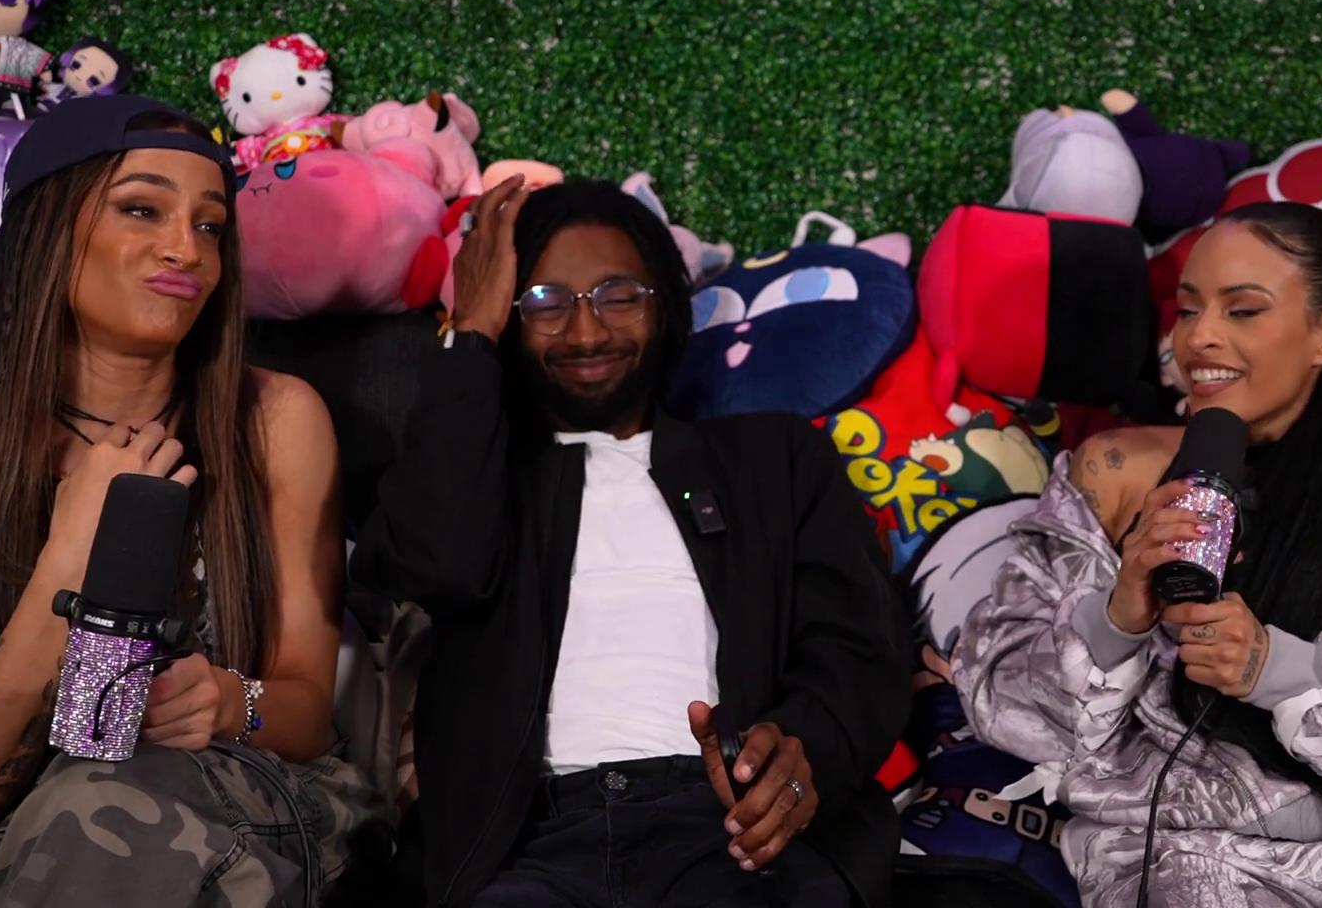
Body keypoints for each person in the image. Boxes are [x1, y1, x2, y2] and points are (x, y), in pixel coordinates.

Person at [0, 95, 386, 907]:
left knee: (96, 802)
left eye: (211, 226)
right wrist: (71, 561)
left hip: (243, 803)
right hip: (10, 840)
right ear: (43, 232)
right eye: (142, 209)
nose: (187, 249)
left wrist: (227, 701)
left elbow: (308, 713)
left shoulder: (278, 421)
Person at [953, 201, 1322, 908]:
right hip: (1194, 854)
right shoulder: (1114, 470)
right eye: (1187, 310)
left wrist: (1279, 667)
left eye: (1242, 311)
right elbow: (998, 697)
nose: (1198, 336)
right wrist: (1115, 620)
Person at [351, 177, 909, 908]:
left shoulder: (773, 459)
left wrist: (802, 750)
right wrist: (472, 332)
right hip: (523, 846)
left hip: (731, 833)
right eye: (545, 303)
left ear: (665, 305)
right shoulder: (476, 476)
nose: (587, 334)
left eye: (619, 296)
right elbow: (437, 563)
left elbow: (859, 648)